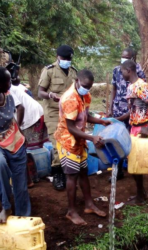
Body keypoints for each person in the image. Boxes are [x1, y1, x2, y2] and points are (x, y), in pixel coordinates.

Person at [54, 69, 110, 225]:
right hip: (68, 141)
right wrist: (92, 137)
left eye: (90, 86)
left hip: (80, 141)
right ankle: (71, 211)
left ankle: (89, 204)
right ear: (77, 81)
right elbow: (71, 127)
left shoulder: (85, 95)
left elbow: (85, 116)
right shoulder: (69, 98)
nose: (88, 89)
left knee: (84, 171)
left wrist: (101, 121)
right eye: (85, 86)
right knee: (72, 175)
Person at [38, 45, 77, 191]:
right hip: (53, 112)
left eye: (69, 59)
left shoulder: (73, 72)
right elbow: (40, 92)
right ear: (58, 57)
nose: (67, 61)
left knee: (70, 142)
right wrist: (50, 95)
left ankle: (69, 173)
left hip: (69, 113)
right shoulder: (49, 71)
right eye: (64, 58)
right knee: (57, 143)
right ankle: (57, 174)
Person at [120, 60, 148, 205]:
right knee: (134, 162)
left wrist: (147, 128)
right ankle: (141, 193)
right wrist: (115, 119)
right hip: (135, 127)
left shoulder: (142, 86)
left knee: (138, 164)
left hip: (143, 129)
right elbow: (134, 111)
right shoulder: (131, 86)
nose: (121, 74)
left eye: (122, 71)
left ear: (129, 70)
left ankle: (140, 196)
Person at [109, 47, 146, 180]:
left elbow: (142, 95)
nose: (123, 59)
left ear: (132, 59)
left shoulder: (139, 71)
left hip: (132, 113)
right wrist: (110, 108)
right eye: (122, 56)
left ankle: (132, 168)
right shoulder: (116, 70)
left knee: (130, 139)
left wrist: (130, 112)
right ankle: (117, 170)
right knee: (116, 139)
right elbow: (113, 89)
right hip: (118, 109)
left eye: (126, 57)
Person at [0, 67, 31, 223]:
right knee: (1, 165)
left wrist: (18, 127)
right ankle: (6, 206)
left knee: (20, 183)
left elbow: (21, 107)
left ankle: (23, 216)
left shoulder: (8, 94)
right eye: (7, 81)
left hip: (14, 139)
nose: (10, 83)